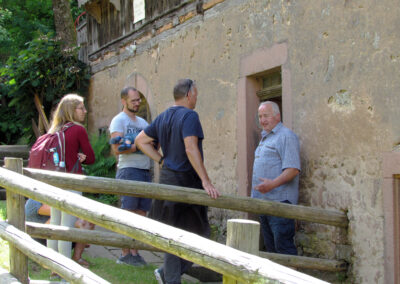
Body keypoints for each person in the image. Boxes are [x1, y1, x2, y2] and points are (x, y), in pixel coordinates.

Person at [135, 78, 220, 284]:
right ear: (189, 94)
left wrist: (161, 160)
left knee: (172, 235)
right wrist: (206, 181)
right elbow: (190, 148)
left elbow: (140, 141)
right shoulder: (190, 115)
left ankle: (167, 275)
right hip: (186, 184)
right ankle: (169, 277)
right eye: (196, 94)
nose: (196, 98)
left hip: (167, 181)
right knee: (200, 235)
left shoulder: (164, 116)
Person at [46, 94, 95, 269]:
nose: (85, 111)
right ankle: (64, 268)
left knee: (55, 223)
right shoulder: (78, 129)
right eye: (81, 108)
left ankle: (52, 266)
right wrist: (82, 158)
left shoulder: (54, 130)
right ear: (71, 110)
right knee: (66, 227)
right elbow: (91, 158)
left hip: (54, 181)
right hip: (71, 182)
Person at [109, 86, 152, 266]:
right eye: (134, 100)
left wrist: (135, 145)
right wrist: (140, 146)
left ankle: (135, 252)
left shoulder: (143, 123)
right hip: (128, 170)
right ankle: (125, 253)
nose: (137, 103)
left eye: (138, 100)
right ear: (124, 101)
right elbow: (117, 149)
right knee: (128, 213)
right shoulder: (119, 121)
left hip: (144, 170)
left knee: (141, 213)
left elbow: (153, 144)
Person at [251, 101, 300, 255]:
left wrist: (271, 185)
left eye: (266, 115)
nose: (262, 120)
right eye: (260, 116)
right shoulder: (265, 138)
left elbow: (292, 170)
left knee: (284, 250)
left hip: (279, 204)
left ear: (277, 116)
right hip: (264, 204)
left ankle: (291, 279)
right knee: (272, 251)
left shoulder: (286, 136)